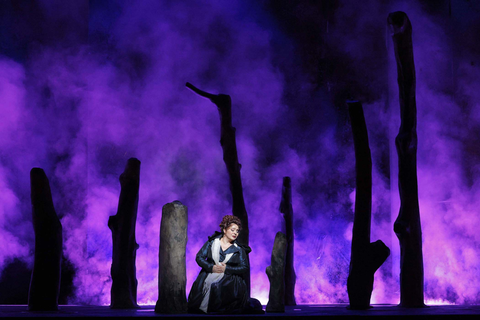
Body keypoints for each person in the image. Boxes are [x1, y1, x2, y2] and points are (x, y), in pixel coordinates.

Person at [187, 215, 248, 314]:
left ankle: (214, 310)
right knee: (203, 285)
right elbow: (199, 257)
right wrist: (211, 267)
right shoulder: (212, 243)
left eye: (237, 231)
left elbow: (244, 267)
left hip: (230, 277)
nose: (235, 233)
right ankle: (202, 309)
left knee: (218, 286)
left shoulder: (239, 249)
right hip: (210, 272)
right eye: (232, 230)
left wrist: (227, 269)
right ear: (224, 229)